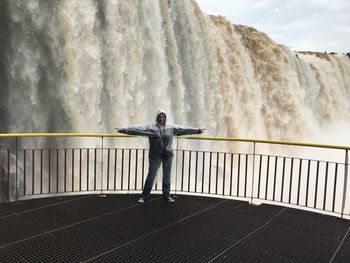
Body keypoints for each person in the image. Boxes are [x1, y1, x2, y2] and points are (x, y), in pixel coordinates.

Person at [117, 109, 205, 203]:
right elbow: (138, 129)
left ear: (165, 118)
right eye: (160, 117)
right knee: (151, 175)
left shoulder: (171, 127)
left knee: (167, 176)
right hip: (155, 155)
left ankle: (167, 196)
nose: (161, 118)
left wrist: (197, 131)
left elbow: (182, 129)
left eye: (163, 117)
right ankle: (144, 196)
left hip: (167, 155)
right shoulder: (151, 128)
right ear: (157, 118)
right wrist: (124, 130)